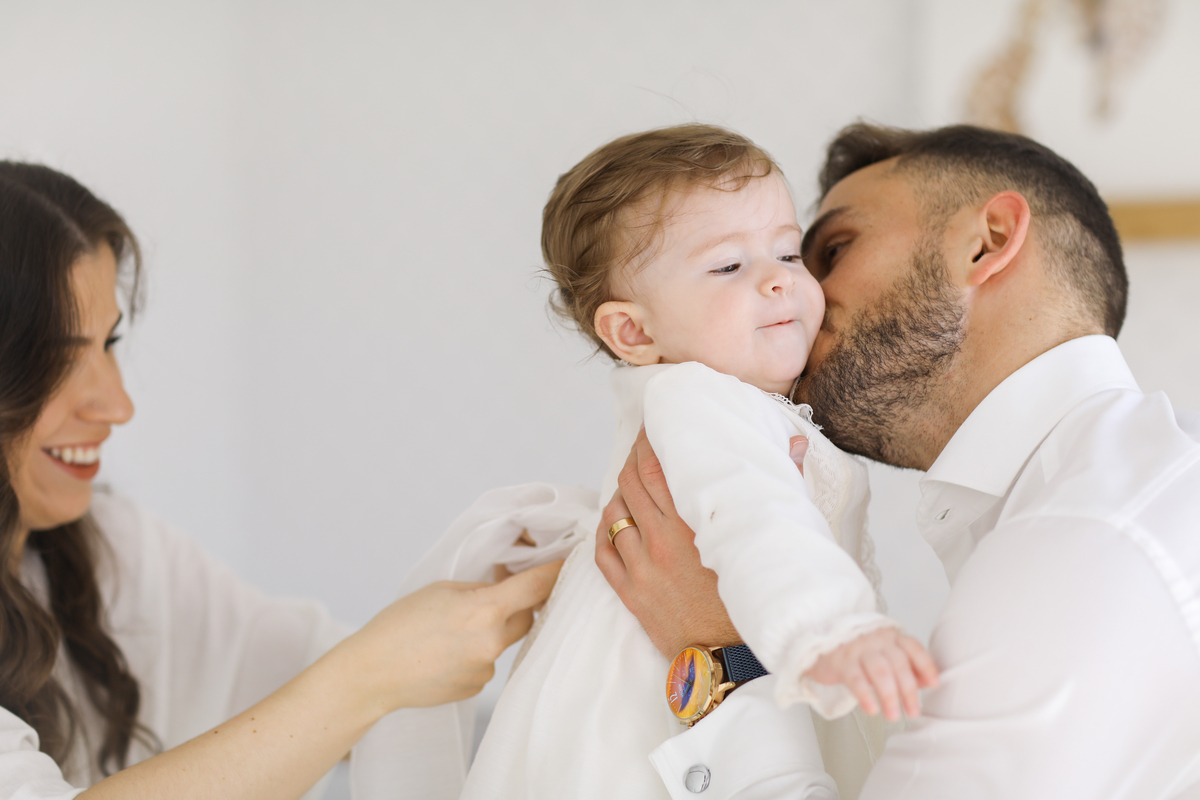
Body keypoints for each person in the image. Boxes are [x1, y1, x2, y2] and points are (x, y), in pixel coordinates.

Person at [598, 122, 1200, 799]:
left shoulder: (1083, 543)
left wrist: (721, 661)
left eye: (826, 251)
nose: (801, 298)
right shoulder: (1120, 497)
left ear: (989, 242)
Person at [354, 125, 935, 800]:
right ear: (634, 332)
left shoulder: (736, 403)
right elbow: (755, 516)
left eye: (786, 250)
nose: (779, 280)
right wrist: (837, 628)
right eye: (728, 266)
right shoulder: (701, 398)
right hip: (644, 722)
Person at [0, 160, 561, 800]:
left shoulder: (112, 548)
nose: (117, 404)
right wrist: (373, 672)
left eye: (108, 343)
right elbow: (352, 683)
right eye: (58, 359)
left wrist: (507, 583)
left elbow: (309, 676)